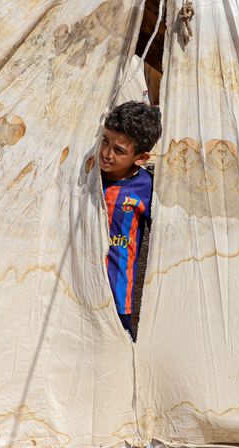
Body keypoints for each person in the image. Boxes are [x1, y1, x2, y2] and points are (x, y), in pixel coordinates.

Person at [100, 100, 161, 339]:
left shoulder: (147, 188)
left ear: (140, 157)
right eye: (105, 141)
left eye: (119, 150)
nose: (106, 154)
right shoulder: (88, 174)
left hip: (117, 296)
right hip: (77, 284)